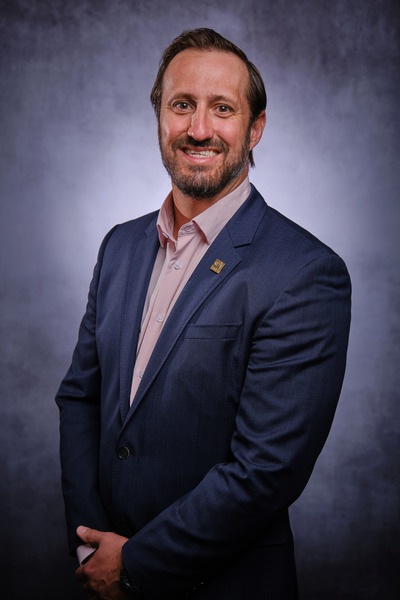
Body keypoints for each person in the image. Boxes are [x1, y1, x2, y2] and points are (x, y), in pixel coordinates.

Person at [56, 28, 351, 600]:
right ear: (159, 117)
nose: (197, 129)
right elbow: (80, 399)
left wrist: (134, 564)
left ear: (255, 128)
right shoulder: (119, 246)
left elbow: (265, 471)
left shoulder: (306, 272)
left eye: (222, 108)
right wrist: (93, 544)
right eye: (181, 105)